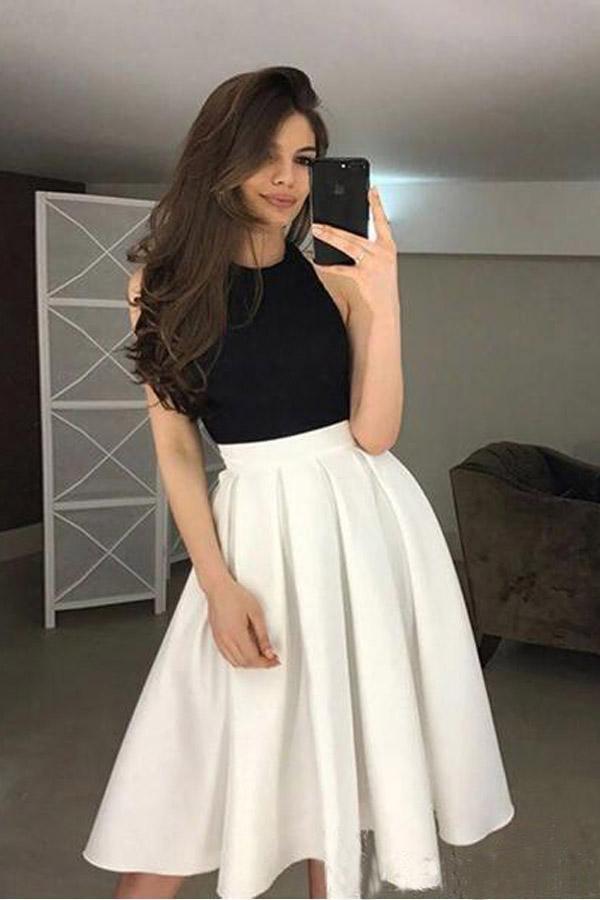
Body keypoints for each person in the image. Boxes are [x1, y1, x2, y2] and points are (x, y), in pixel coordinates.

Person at [81, 65, 515, 900]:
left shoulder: (337, 275)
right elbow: (176, 446)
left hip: (361, 524)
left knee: (338, 758)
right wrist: (215, 582)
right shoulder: (159, 286)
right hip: (253, 527)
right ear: (222, 157)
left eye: (306, 159)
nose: (288, 178)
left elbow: (375, 433)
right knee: (195, 749)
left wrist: (384, 300)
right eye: (268, 155)